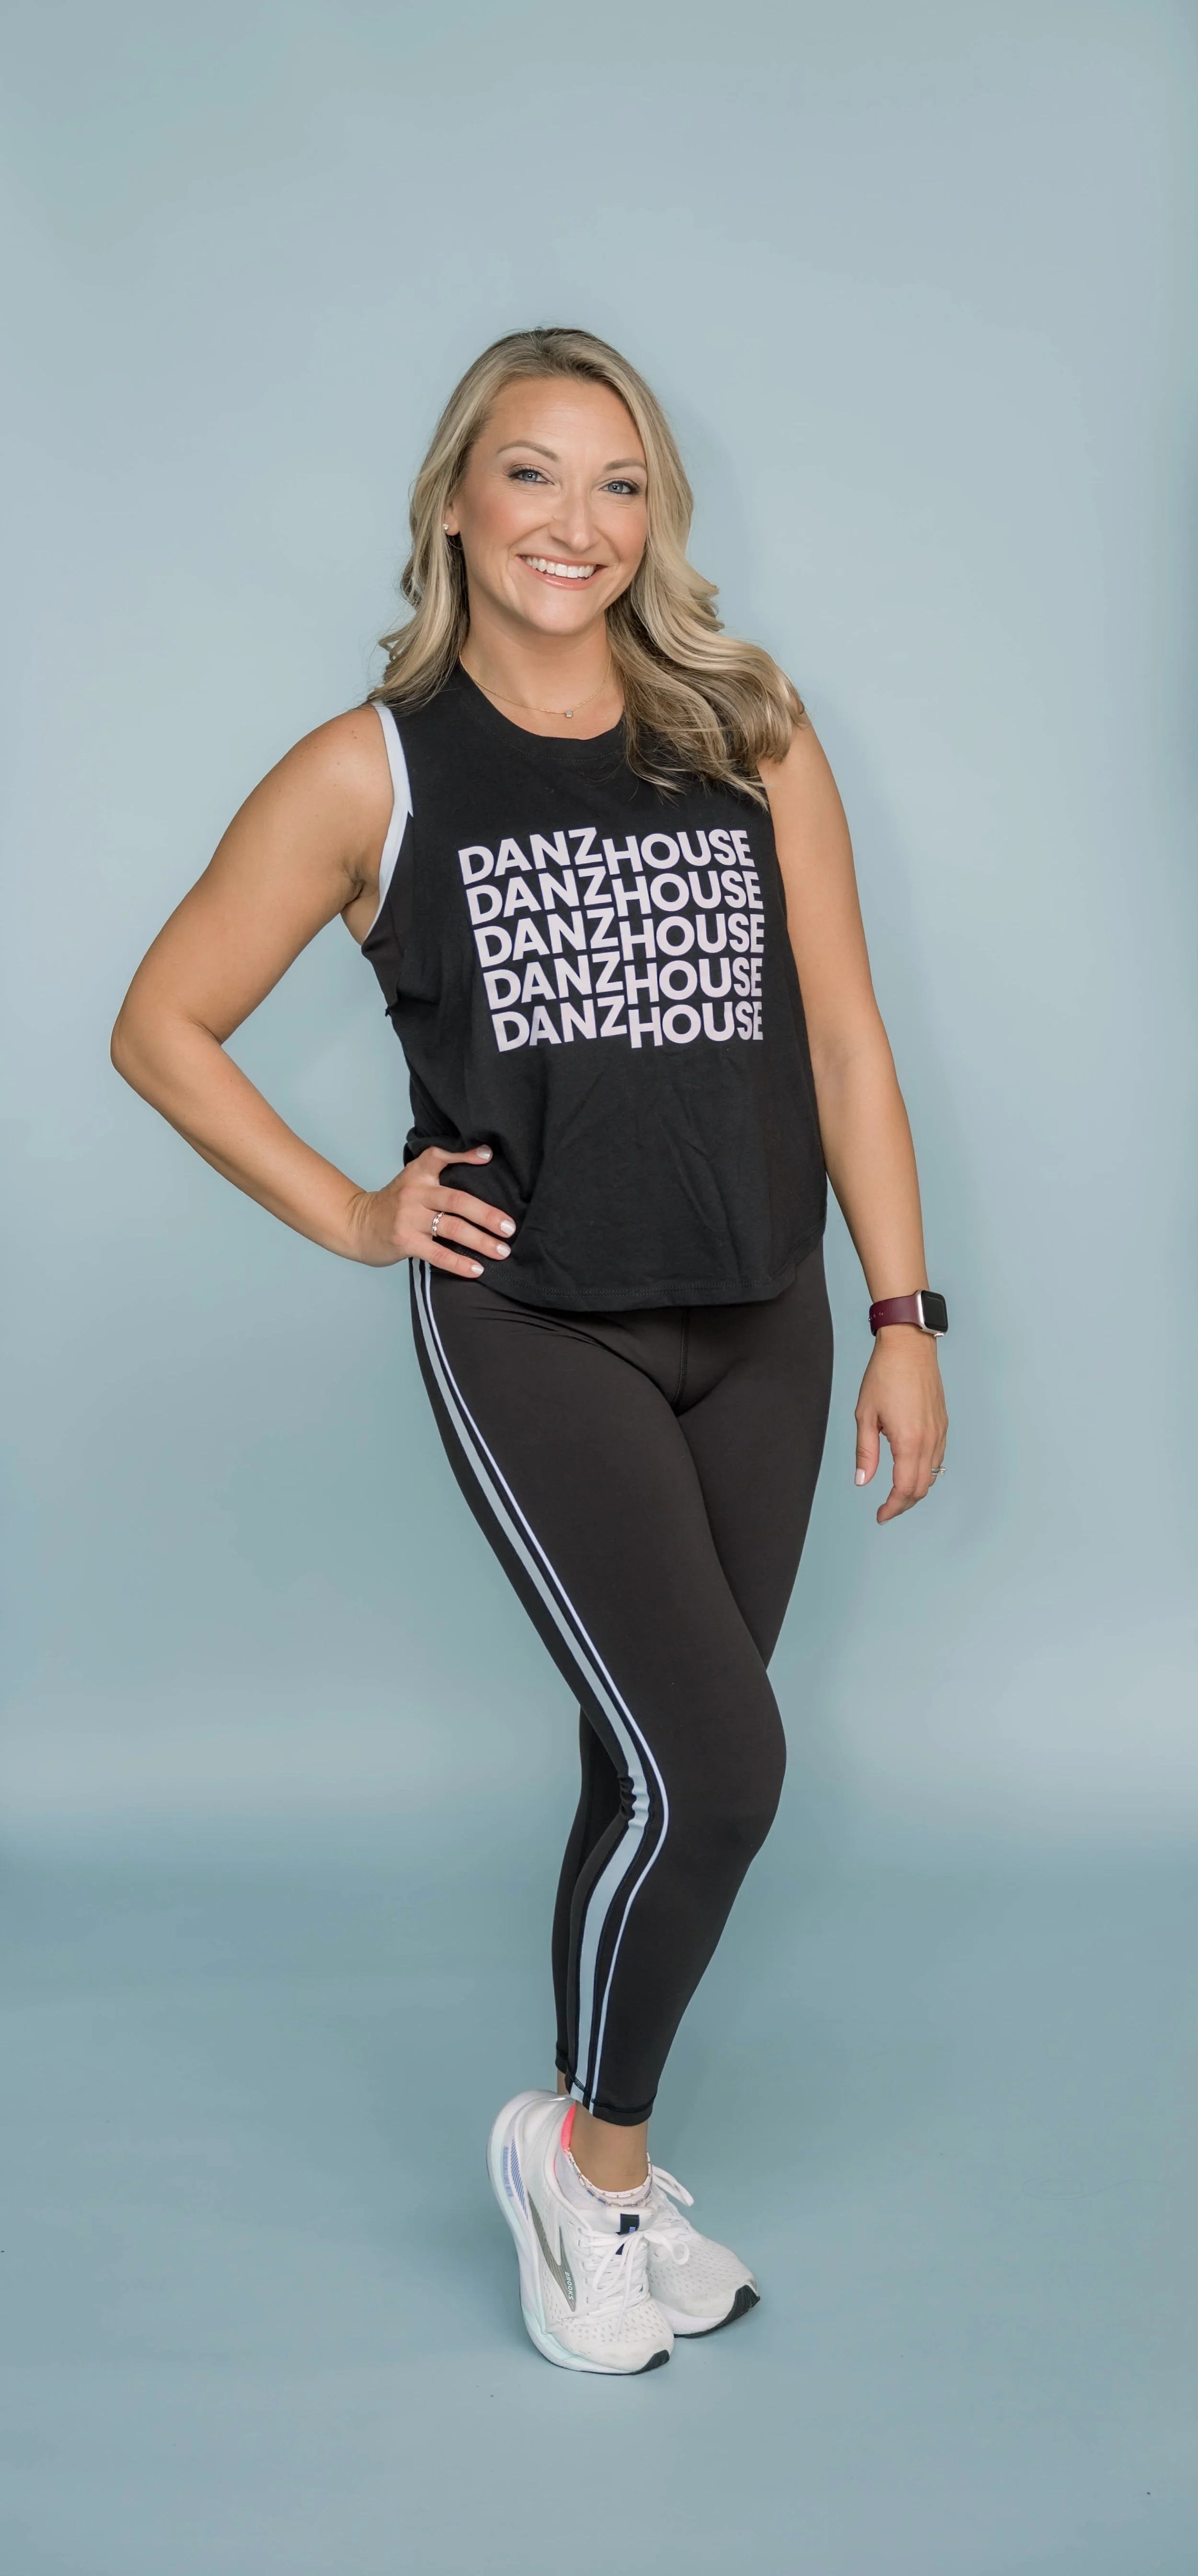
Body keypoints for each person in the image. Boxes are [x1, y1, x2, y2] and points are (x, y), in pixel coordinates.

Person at [112, 325, 948, 2378]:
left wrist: (903, 1317)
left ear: (653, 518)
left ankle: (588, 2162)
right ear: (457, 507)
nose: (576, 523)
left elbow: (841, 1036)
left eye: (620, 483)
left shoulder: (746, 730)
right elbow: (161, 1026)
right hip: (536, 1326)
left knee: (642, 1762)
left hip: (759, 1311)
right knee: (724, 1767)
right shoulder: (371, 769)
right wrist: (349, 1207)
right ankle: (587, 2175)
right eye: (532, 476)